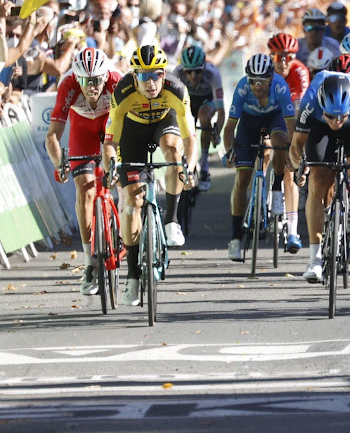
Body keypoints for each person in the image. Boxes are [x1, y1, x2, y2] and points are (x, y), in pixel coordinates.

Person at [103, 45, 197, 306]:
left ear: (163, 74)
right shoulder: (122, 92)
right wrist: (111, 166)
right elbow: (111, 142)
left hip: (163, 123)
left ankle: (171, 220)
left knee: (173, 149)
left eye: (156, 74)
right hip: (132, 131)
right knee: (132, 203)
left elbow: (190, 136)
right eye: (144, 76)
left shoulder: (176, 89)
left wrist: (191, 164)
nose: (151, 81)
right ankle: (132, 276)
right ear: (135, 77)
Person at [290, 72, 350, 282]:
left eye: (340, 116)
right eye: (331, 116)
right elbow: (296, 145)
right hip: (319, 127)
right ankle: (315, 259)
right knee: (318, 180)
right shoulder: (311, 101)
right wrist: (300, 166)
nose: (336, 122)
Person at [46, 48, 122, 295]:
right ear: (77, 79)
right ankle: (89, 262)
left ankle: (128, 235)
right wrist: (60, 163)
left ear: (105, 76)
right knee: (86, 190)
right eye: (86, 81)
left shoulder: (116, 81)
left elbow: (129, 123)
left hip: (112, 125)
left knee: (122, 180)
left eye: (97, 80)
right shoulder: (67, 84)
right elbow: (52, 137)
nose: (92, 86)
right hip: (83, 130)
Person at [223, 54, 296, 261]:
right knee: (242, 178)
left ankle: (277, 190)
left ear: (270, 79)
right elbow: (230, 127)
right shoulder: (242, 88)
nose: (256, 85)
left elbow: (291, 126)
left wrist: (291, 150)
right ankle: (236, 238)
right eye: (252, 79)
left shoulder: (280, 88)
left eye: (261, 80)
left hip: (275, 118)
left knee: (280, 141)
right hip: (249, 123)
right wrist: (229, 151)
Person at [268, 33, 310, 253]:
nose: (284, 62)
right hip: (267, 114)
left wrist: (296, 147)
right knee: (265, 150)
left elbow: (299, 112)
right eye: (279, 57)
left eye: (289, 57)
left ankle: (293, 231)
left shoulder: (300, 71)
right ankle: (263, 197)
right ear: (271, 56)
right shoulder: (264, 71)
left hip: (291, 115)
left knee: (289, 170)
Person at [173, 44, 224, 191]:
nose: (193, 76)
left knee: (204, 117)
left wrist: (217, 131)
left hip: (207, 101)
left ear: (204, 66)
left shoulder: (213, 73)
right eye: (188, 72)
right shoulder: (176, 73)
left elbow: (221, 110)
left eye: (197, 71)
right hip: (187, 101)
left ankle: (205, 167)